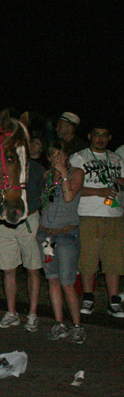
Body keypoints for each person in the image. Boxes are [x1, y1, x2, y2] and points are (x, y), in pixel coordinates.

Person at [70, 123, 124, 319]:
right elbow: (70, 188)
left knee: (114, 261)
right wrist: (98, 191)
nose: (100, 139)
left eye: (104, 135)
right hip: (87, 215)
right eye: (96, 135)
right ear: (89, 136)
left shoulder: (116, 158)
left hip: (114, 215)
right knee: (88, 259)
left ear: (109, 138)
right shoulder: (79, 157)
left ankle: (114, 301)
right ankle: (88, 297)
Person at [38, 140, 85, 342]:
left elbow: (68, 198)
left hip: (66, 236)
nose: (56, 159)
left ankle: (77, 325)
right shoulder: (46, 176)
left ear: (67, 155)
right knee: (53, 279)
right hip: (47, 236)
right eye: (52, 156)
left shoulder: (76, 173)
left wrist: (63, 175)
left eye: (60, 155)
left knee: (67, 282)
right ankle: (59, 323)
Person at [0, 143, 46, 332]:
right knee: (8, 269)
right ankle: (11, 313)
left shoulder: (37, 169)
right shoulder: (2, 166)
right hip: (4, 222)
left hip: (28, 220)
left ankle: (32, 314)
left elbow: (45, 196)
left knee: (33, 268)